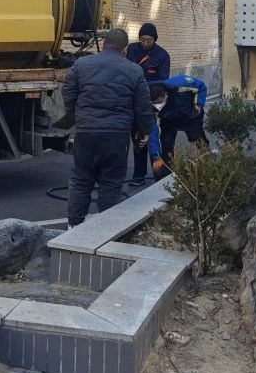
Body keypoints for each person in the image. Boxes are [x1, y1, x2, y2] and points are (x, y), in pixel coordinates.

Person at [62, 28, 154, 226]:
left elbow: (68, 89)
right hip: (116, 135)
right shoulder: (134, 70)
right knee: (111, 183)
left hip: (86, 131)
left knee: (81, 180)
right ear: (125, 50)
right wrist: (146, 130)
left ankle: (73, 226)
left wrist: (75, 113)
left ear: (103, 45)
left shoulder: (82, 64)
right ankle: (106, 229)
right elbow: (143, 106)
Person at [125, 23, 170, 183]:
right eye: (142, 39)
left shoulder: (162, 55)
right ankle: (139, 175)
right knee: (138, 137)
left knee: (152, 137)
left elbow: (163, 80)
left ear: (154, 39)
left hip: (152, 101)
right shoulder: (132, 49)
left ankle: (159, 174)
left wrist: (144, 87)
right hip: (133, 99)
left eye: (149, 40)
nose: (145, 43)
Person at [145, 74, 209, 178]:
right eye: (154, 104)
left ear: (166, 95)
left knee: (197, 139)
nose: (157, 106)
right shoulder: (151, 106)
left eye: (159, 102)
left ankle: (209, 162)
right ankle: (166, 175)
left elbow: (201, 86)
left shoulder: (180, 83)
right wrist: (155, 157)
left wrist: (198, 104)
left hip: (190, 116)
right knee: (166, 145)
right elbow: (153, 131)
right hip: (168, 120)